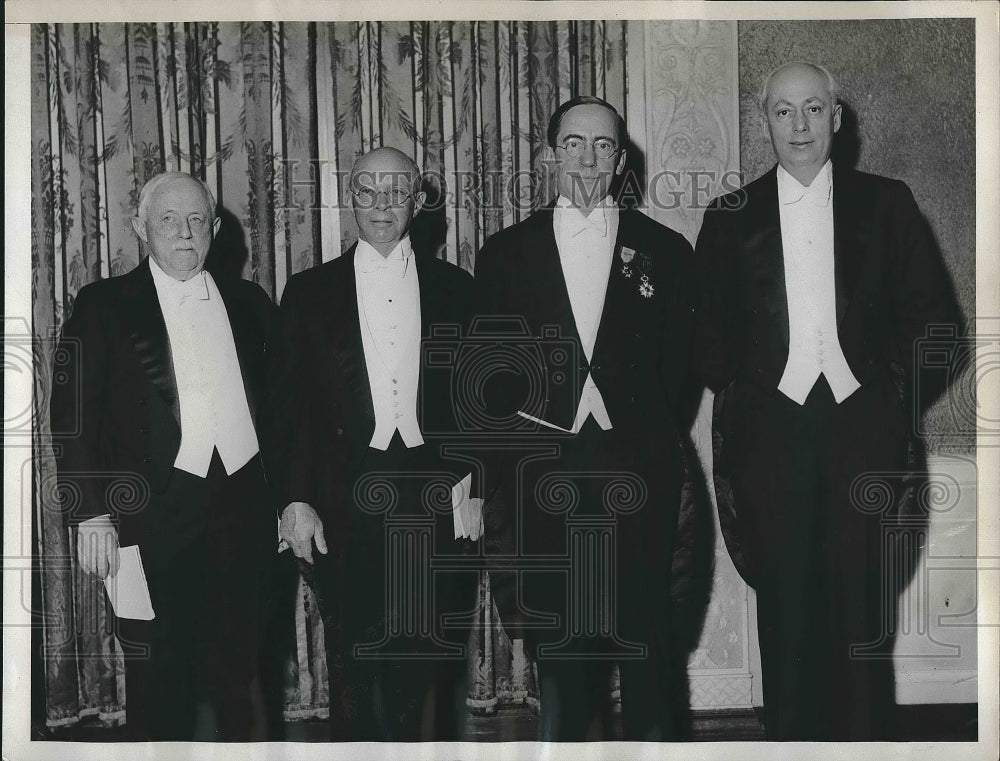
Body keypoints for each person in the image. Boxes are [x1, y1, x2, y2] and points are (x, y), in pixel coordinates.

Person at [695, 61, 962, 740]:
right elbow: (705, 335)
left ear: (837, 119)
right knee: (786, 619)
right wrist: (750, 392)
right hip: (770, 446)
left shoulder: (888, 203)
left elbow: (938, 326)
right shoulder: (729, 218)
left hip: (864, 437)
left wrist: (884, 395)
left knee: (862, 618)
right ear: (766, 124)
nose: (800, 125)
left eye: (814, 109)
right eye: (784, 112)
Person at [474, 95, 697, 741]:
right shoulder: (505, 254)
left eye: (603, 146)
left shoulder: (666, 249)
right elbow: (489, 377)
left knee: (649, 655)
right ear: (550, 155)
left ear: (620, 160)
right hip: (547, 484)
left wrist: (630, 425)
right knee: (566, 661)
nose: (587, 157)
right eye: (574, 143)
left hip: (639, 479)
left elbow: (680, 371)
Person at [50, 171, 278, 741]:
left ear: (216, 229)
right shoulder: (104, 305)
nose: (184, 233)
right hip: (149, 519)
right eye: (168, 220)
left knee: (240, 678)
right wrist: (92, 513)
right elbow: (73, 415)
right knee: (157, 678)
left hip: (242, 514)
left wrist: (286, 499)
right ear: (140, 227)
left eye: (197, 220)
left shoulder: (249, 303)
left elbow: (283, 408)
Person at [269, 146, 481, 741]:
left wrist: (476, 483)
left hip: (437, 500)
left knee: (431, 666)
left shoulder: (457, 290)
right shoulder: (308, 293)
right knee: (355, 663)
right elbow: (289, 411)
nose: (382, 203)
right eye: (367, 189)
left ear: (418, 198)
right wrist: (295, 500)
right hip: (343, 502)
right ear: (349, 199)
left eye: (396, 190)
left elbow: (483, 401)